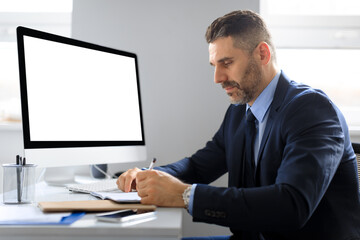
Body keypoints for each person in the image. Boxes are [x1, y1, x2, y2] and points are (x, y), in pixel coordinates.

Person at [117, 10, 360, 240]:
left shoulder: (312, 110)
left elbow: (291, 205)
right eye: (215, 66)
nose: (217, 78)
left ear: (262, 54)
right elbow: (197, 166)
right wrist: (148, 177)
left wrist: (185, 195)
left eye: (227, 63)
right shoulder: (238, 113)